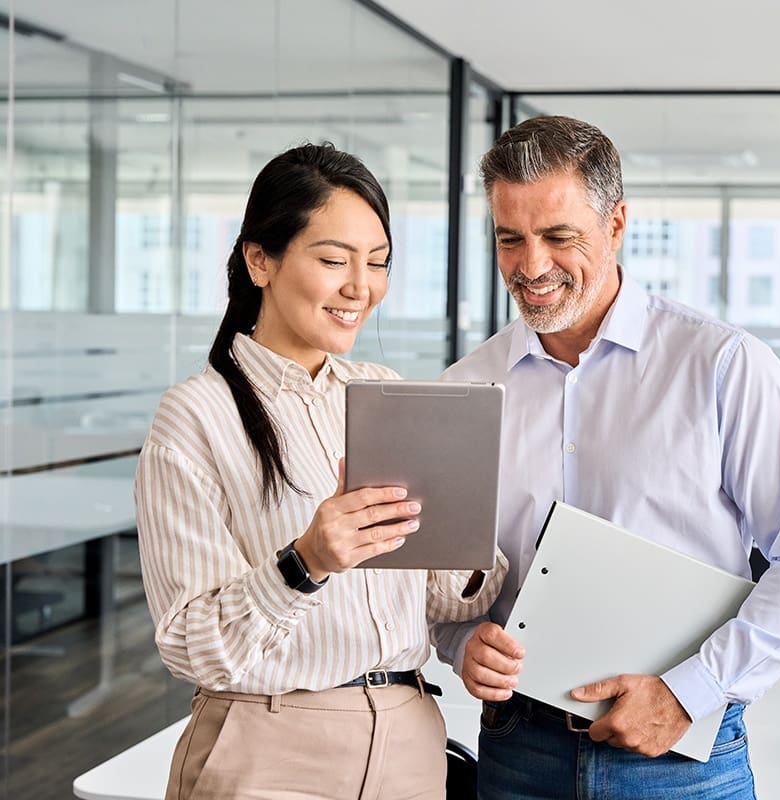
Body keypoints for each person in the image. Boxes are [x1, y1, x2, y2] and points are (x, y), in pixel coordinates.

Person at [431, 116, 780, 799]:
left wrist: (694, 690)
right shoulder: (464, 390)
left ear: (618, 223)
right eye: (510, 239)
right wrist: (462, 643)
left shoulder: (722, 365)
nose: (531, 265)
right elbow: (443, 584)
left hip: (683, 759)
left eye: (558, 236)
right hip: (519, 753)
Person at [136, 142, 506, 800]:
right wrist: (304, 561)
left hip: (410, 741)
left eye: (379, 263)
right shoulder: (195, 417)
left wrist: (466, 527)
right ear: (260, 260)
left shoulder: (383, 391)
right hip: (269, 748)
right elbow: (190, 647)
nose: (361, 287)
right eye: (334, 260)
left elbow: (452, 599)